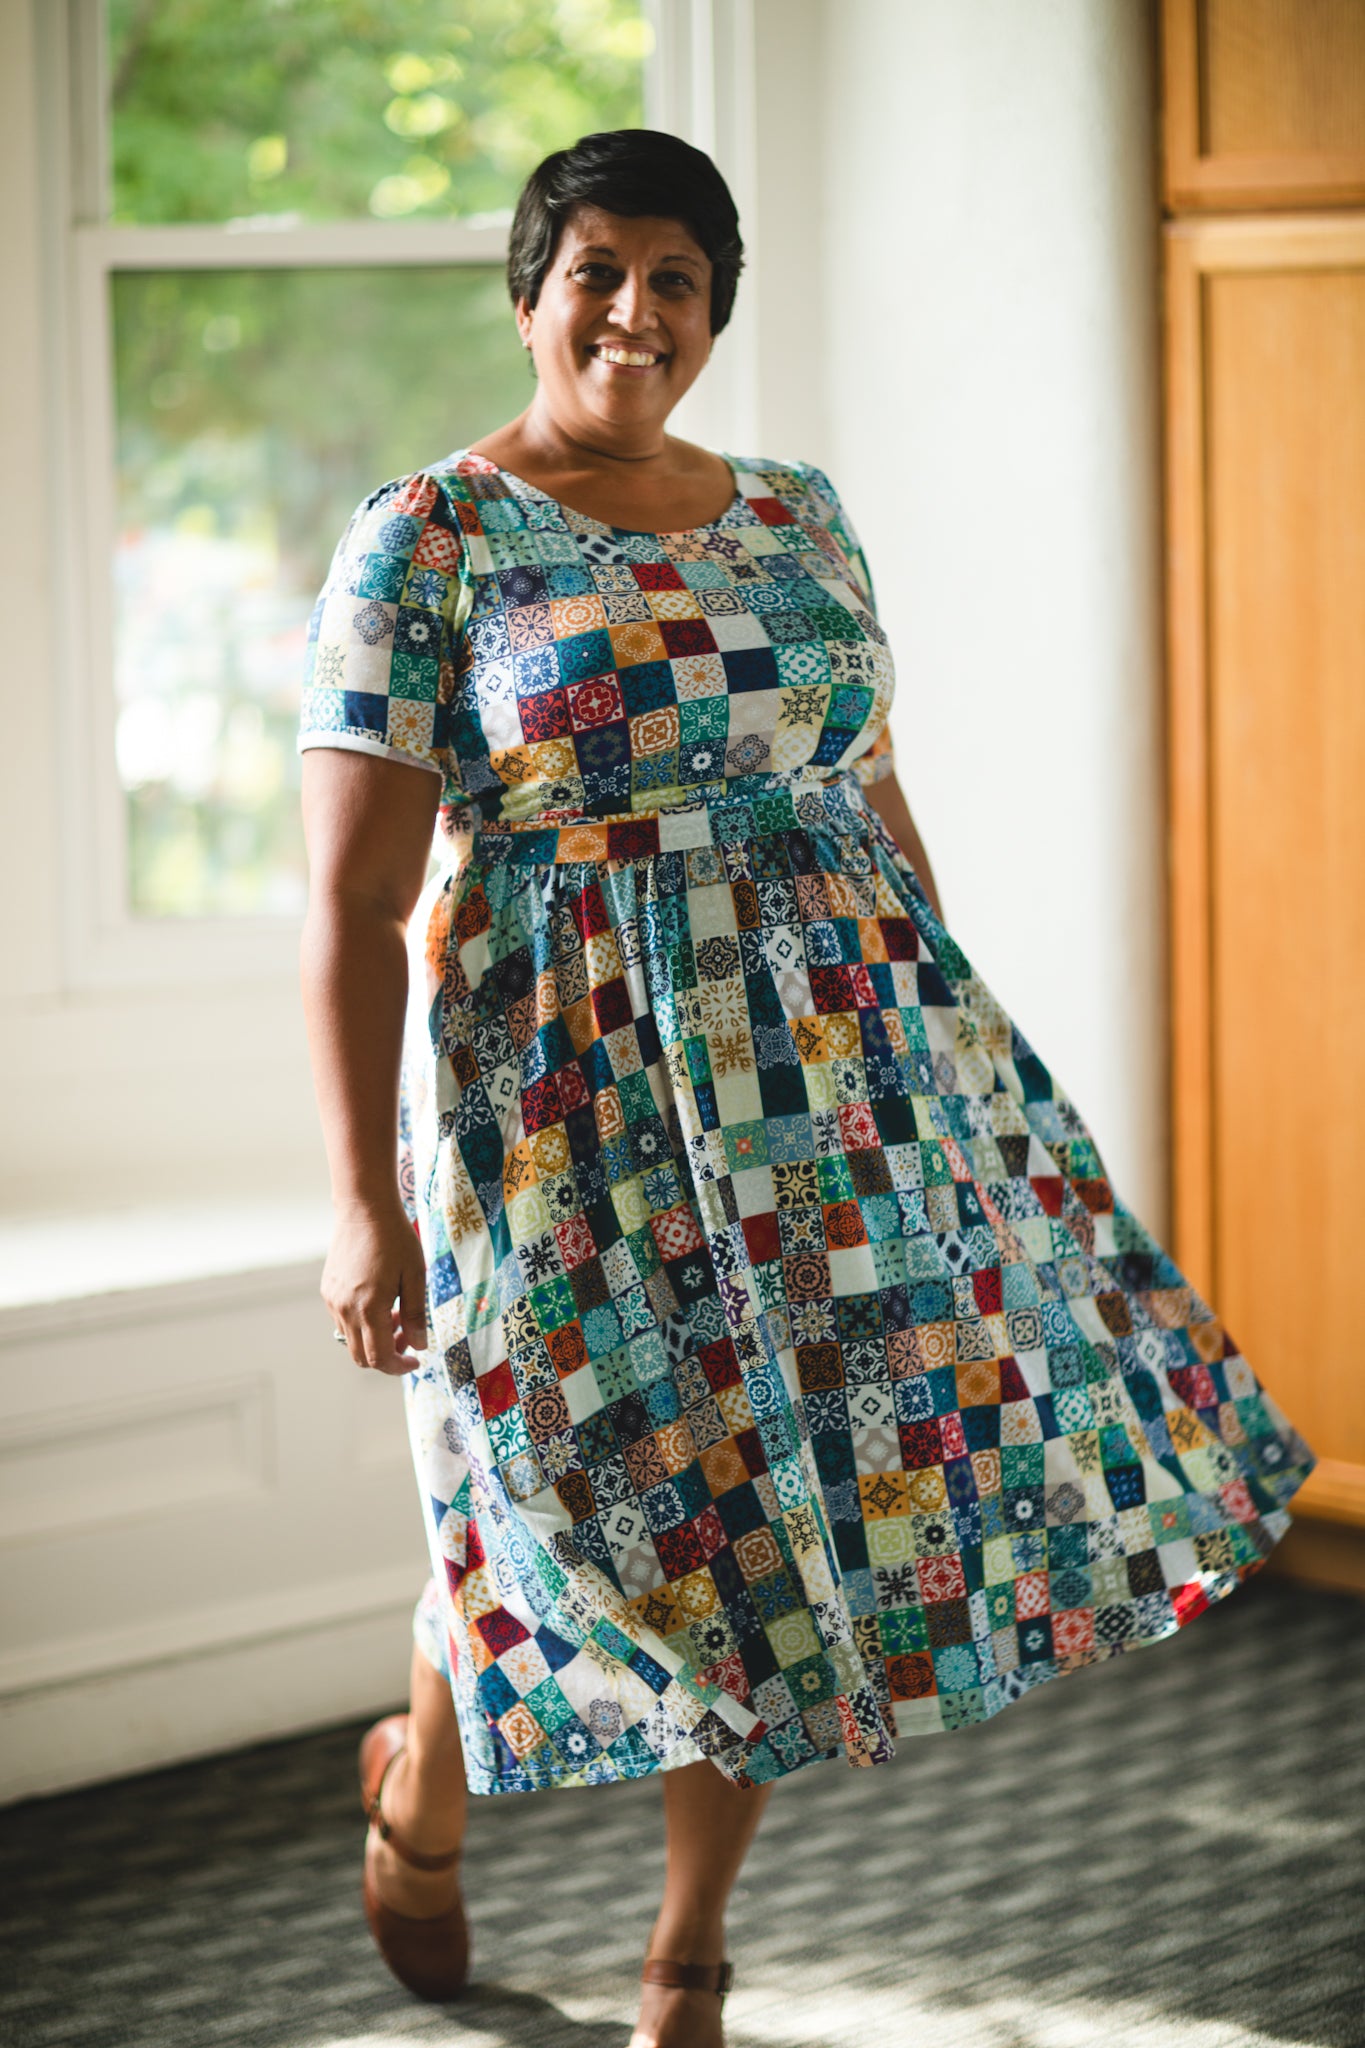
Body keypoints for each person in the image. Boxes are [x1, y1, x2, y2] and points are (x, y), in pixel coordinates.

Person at [297, 128, 1314, 2048]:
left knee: (771, 1522)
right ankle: (420, 1794)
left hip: (827, 1101)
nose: (634, 311)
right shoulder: (429, 537)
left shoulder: (794, 513)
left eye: (675, 280)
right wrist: (361, 1205)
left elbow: (867, 792)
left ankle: (687, 1952)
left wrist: (944, 1067)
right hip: (563, 1103)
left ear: (713, 312)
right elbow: (351, 905)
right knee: (550, 1487)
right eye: (596, 271)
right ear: (529, 294)